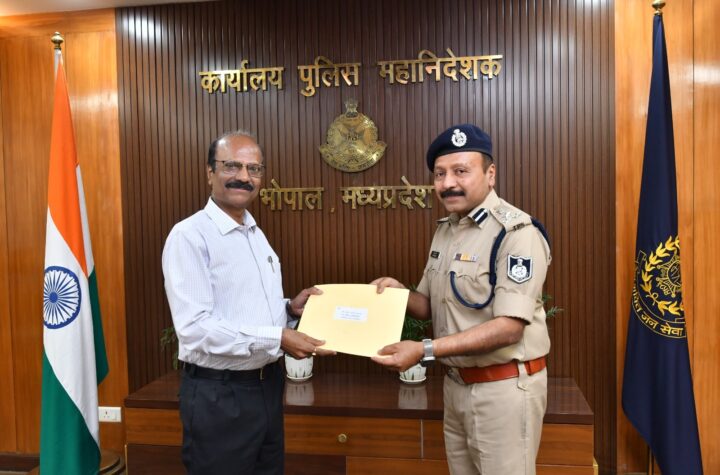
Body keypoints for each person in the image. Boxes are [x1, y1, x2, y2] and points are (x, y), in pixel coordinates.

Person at [371, 124, 551, 475]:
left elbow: (509, 328)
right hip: (456, 386)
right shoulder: (447, 229)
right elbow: (431, 305)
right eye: (440, 174)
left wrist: (424, 350)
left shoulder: (517, 233)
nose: (448, 183)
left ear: (490, 174)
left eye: (461, 171)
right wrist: (399, 294)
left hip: (502, 389)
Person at [162, 130, 333, 475]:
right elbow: (195, 329)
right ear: (209, 172)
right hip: (219, 396)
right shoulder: (190, 236)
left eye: (254, 169)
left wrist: (289, 310)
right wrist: (278, 337)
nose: (244, 177)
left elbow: (245, 306)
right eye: (232, 166)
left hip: (266, 388)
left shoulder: (255, 234)